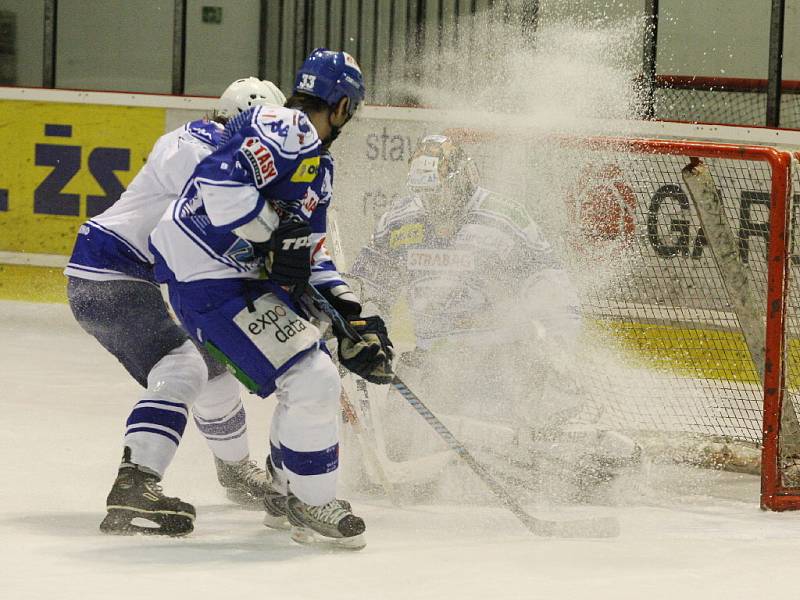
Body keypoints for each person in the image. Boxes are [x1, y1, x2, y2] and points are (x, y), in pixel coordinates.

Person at [149, 48, 394, 549]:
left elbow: (309, 254)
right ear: (343, 106)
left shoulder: (317, 165)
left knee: (316, 366)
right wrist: (271, 233)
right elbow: (218, 186)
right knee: (313, 375)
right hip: (206, 275)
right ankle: (310, 500)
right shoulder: (285, 127)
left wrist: (350, 315)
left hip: (233, 278)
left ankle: (288, 493)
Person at [65, 78, 287, 536]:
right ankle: (136, 482)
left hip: (123, 272)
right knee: (184, 368)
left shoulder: (213, 148)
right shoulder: (198, 147)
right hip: (110, 273)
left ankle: (235, 470)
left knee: (212, 365)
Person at [349, 134, 603, 493]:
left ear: (465, 177)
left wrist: (559, 349)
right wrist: (360, 323)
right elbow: (368, 285)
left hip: (499, 360)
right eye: (427, 193)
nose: (434, 202)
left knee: (500, 463)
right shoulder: (398, 221)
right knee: (385, 462)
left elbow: (550, 285)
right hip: (430, 361)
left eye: (441, 192)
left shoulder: (505, 218)